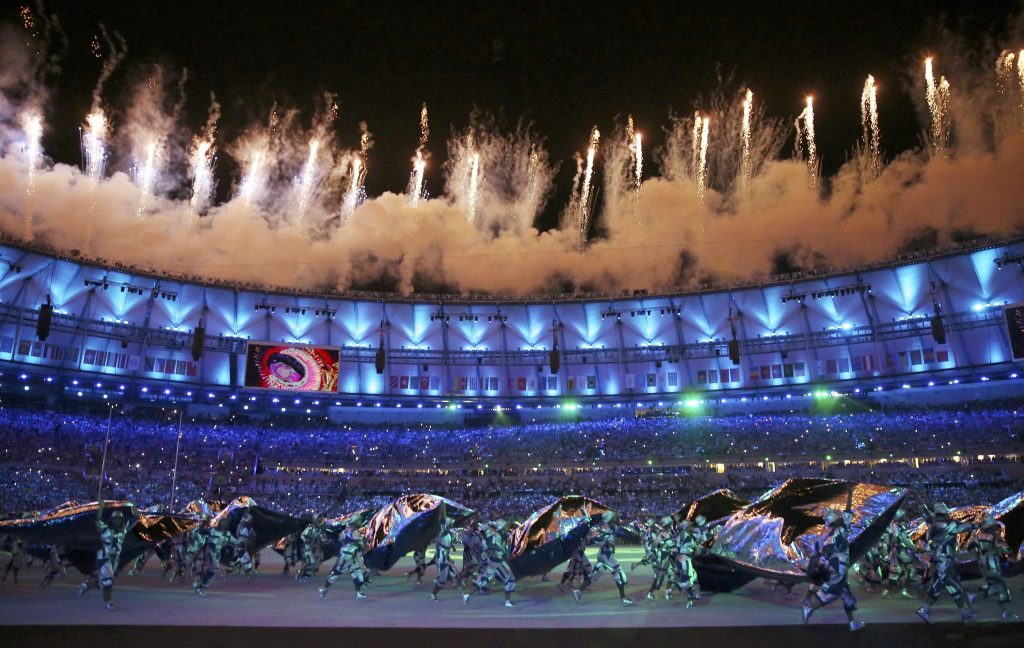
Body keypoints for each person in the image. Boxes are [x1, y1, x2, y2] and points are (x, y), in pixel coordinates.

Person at [801, 508, 864, 632]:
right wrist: (850, 494)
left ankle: (852, 622)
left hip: (832, 567)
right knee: (833, 590)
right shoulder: (841, 531)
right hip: (838, 567)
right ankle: (810, 608)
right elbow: (847, 515)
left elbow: (815, 557)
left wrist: (812, 571)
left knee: (846, 595)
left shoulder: (822, 538)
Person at [917, 503, 978, 624]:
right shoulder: (952, 525)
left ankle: (964, 614)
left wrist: (922, 504)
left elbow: (925, 513)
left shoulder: (931, 524)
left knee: (955, 587)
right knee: (938, 585)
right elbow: (969, 527)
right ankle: (924, 609)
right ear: (945, 514)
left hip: (938, 558)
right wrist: (982, 524)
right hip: (945, 560)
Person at [78, 501, 133, 610]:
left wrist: (133, 506)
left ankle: (87, 585)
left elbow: (135, 517)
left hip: (115, 559)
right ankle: (108, 602)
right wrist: (101, 507)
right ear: (111, 520)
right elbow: (98, 520)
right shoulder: (105, 529)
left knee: (102, 581)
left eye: (119, 519)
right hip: (104, 557)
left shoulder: (123, 530)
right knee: (108, 581)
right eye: (115, 519)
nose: (117, 520)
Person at [967, 514, 1017, 621]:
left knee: (993, 585)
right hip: (992, 562)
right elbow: (1006, 549)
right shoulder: (995, 537)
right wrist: (1009, 554)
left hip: (982, 562)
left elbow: (969, 547)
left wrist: (978, 555)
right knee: (1000, 587)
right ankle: (1005, 612)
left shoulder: (977, 536)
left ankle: (974, 598)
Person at [464, 519, 516, 608]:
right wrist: (501, 552)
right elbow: (493, 546)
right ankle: (507, 602)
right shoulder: (496, 536)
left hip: (492, 561)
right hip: (496, 561)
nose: (506, 528)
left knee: (484, 579)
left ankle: (467, 595)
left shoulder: (498, 534)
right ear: (501, 528)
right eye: (504, 527)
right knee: (509, 578)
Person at [319, 521, 368, 600]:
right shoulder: (356, 533)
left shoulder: (346, 530)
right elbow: (361, 546)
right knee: (337, 572)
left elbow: (341, 539)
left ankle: (358, 593)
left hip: (350, 555)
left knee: (356, 572)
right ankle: (324, 589)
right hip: (346, 556)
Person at [591, 515, 633, 605]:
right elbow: (598, 541)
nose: (616, 519)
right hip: (607, 555)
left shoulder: (610, 527)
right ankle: (623, 599)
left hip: (603, 555)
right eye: (614, 518)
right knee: (620, 574)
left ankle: (578, 590)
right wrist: (608, 542)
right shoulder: (608, 528)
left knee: (596, 573)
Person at [666, 519, 700, 607]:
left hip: (682, 559)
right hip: (685, 560)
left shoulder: (688, 536)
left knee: (694, 578)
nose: (692, 528)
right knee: (687, 581)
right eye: (690, 526)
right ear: (686, 528)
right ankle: (670, 589)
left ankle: (690, 599)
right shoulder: (684, 535)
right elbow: (695, 551)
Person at [193, 516, 227, 596]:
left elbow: (233, 542)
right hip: (209, 552)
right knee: (215, 569)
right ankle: (201, 586)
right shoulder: (212, 530)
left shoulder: (225, 534)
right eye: (222, 523)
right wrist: (204, 525)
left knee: (211, 570)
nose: (223, 525)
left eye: (225, 524)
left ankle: (200, 582)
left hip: (216, 555)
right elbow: (201, 532)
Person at [430, 519, 458, 600]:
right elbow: (441, 546)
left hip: (444, 557)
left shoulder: (448, 534)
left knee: (452, 573)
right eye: (451, 524)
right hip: (441, 558)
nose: (452, 525)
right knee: (443, 579)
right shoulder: (443, 533)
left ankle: (452, 581)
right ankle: (433, 594)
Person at [298, 515, 326, 582]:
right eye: (318, 520)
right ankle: (305, 573)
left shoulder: (319, 529)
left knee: (320, 559)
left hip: (316, 547)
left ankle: (310, 570)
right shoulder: (310, 528)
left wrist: (323, 538)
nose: (320, 521)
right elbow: (302, 535)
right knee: (311, 561)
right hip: (308, 547)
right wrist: (307, 540)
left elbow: (322, 538)